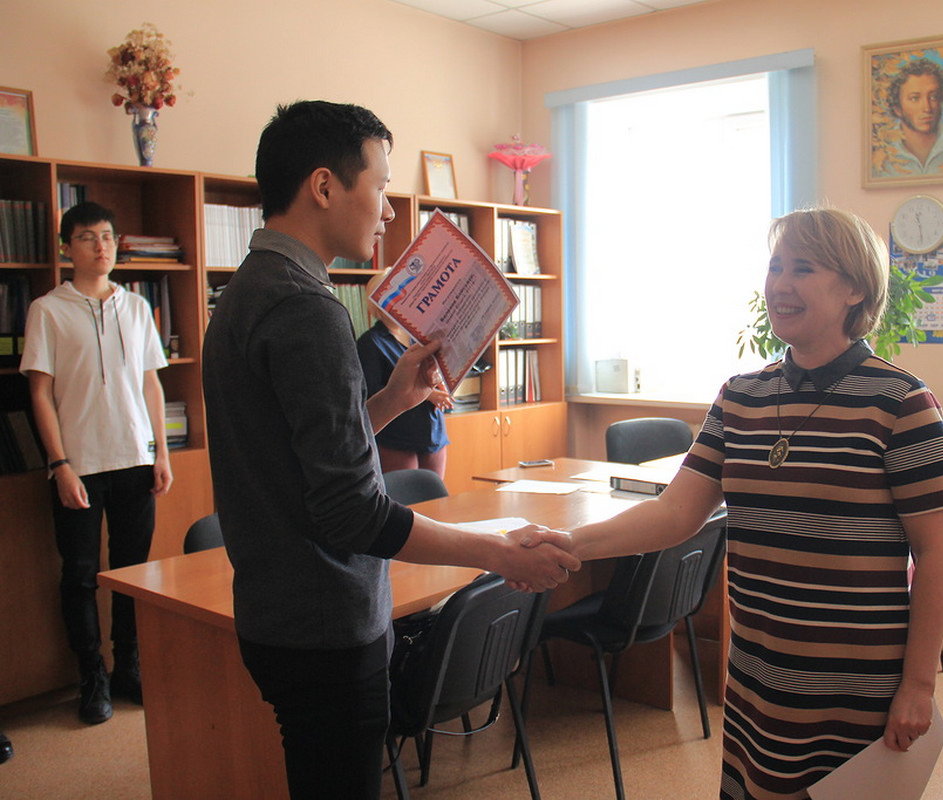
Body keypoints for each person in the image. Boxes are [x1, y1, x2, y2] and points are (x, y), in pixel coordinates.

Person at [201, 100, 578, 800]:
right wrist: (497, 554)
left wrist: (393, 401)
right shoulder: (307, 308)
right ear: (324, 186)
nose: (386, 212)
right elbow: (352, 513)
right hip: (325, 621)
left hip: (276, 611)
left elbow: (297, 456)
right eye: (379, 186)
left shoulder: (249, 289)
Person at [530, 207, 943, 796]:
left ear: (855, 289)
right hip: (757, 675)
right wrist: (569, 544)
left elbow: (937, 555)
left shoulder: (902, 403)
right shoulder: (740, 397)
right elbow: (675, 512)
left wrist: (918, 686)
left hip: (854, 683)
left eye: (803, 269)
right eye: (776, 267)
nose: (781, 284)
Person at [20, 201, 173, 725]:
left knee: (132, 573)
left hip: (136, 460)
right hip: (79, 464)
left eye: (107, 236)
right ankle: (93, 675)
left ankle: (128, 665)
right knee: (81, 575)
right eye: (88, 237)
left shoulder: (136, 307)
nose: (101, 246)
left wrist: (161, 451)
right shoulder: (47, 310)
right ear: (68, 247)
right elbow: (39, 393)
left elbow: (151, 384)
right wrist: (59, 463)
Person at [356, 273, 452, 476]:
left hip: (432, 431)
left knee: (435, 493)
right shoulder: (370, 342)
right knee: (405, 493)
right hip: (397, 437)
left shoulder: (420, 335)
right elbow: (371, 394)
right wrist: (429, 395)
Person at [880, 57, 943, 177]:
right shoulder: (881, 160)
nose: (927, 108)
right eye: (915, 98)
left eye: (933, 97)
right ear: (897, 108)